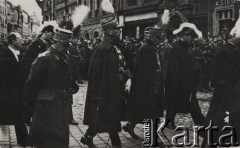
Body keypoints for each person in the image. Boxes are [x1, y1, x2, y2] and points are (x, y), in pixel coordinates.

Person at [81, 18, 130, 148]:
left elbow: (121, 66)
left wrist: (126, 78)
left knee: (104, 120)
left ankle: (87, 137)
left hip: (114, 91)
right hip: (104, 92)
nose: (119, 31)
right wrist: (96, 95)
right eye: (116, 29)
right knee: (109, 121)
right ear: (109, 32)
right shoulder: (100, 49)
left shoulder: (116, 48)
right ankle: (115, 145)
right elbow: (94, 74)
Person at [24, 27, 75, 147]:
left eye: (67, 44)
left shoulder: (65, 56)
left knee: (60, 139)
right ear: (55, 41)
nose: (66, 47)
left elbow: (66, 77)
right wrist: (30, 107)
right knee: (48, 141)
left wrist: (72, 86)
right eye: (63, 44)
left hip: (61, 104)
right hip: (46, 108)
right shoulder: (44, 58)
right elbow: (31, 84)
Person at [122, 27, 164, 146]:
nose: (160, 40)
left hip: (153, 86)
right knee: (151, 113)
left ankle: (130, 126)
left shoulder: (152, 48)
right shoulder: (146, 49)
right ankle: (152, 138)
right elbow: (143, 71)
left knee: (144, 111)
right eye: (158, 38)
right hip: (147, 88)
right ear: (152, 37)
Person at [165, 23, 205, 128]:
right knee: (174, 102)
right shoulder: (177, 48)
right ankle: (169, 122)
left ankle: (200, 120)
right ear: (183, 36)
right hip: (178, 82)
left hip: (186, 81)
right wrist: (177, 82)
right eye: (190, 36)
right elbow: (174, 68)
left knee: (191, 101)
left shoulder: (185, 48)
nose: (192, 39)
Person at [0, 32, 28, 146]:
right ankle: (24, 140)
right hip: (8, 92)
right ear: (13, 41)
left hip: (15, 92)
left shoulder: (16, 53)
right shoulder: (4, 55)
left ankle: (24, 140)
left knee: (18, 116)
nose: (22, 41)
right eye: (20, 39)